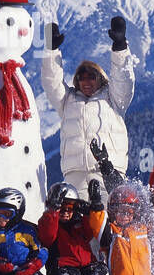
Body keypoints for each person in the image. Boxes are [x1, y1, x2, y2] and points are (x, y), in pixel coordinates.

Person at [41, 16, 135, 195]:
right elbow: (51, 82)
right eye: (81, 78)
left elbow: (124, 80)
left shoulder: (114, 98)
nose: (86, 82)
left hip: (109, 173)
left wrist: (120, 47)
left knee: (110, 222)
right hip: (76, 178)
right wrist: (51, 50)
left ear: (100, 78)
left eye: (91, 77)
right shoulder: (68, 100)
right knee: (79, 222)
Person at [37, 181, 109, 275]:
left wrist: (93, 210)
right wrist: (53, 212)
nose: (65, 212)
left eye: (70, 208)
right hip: (63, 268)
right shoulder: (48, 222)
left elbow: (97, 231)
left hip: (88, 265)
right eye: (61, 208)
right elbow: (47, 237)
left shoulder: (81, 222)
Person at [101, 184, 152, 275]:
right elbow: (97, 225)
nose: (125, 216)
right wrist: (96, 207)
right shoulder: (111, 230)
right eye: (120, 212)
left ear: (135, 214)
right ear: (113, 213)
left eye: (129, 212)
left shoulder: (142, 229)